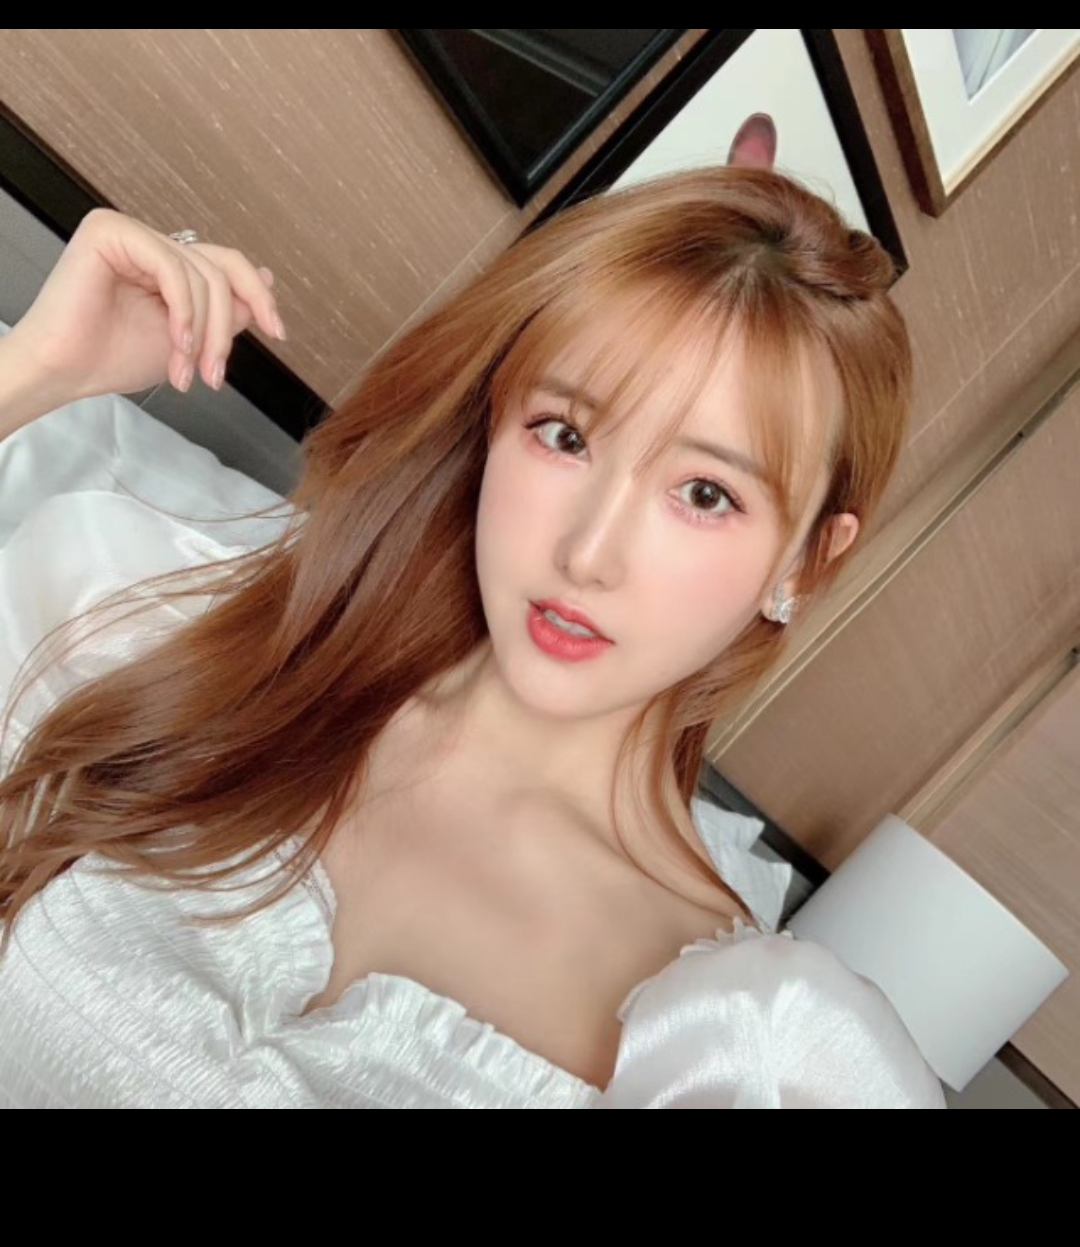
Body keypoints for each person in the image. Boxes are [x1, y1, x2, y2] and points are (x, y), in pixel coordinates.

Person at [0, 175, 946, 1107]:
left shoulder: (736, 1059)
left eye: (705, 495)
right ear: (492, 421)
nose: (588, 554)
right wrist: (39, 373)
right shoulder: (187, 637)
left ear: (806, 562)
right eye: (565, 435)